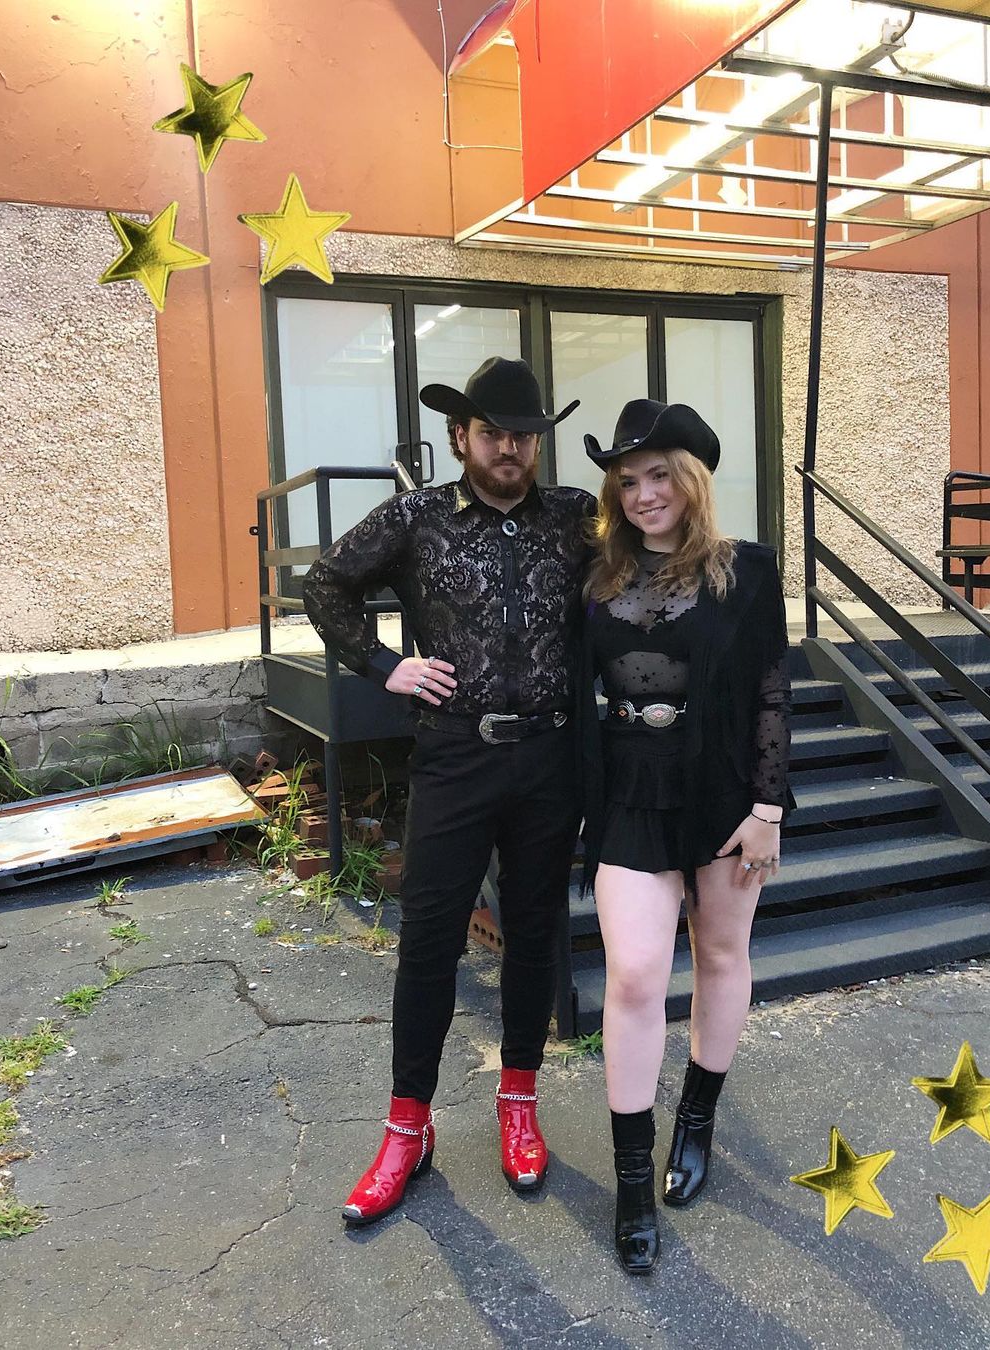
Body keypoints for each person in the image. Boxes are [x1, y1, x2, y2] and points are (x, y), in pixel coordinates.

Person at [302, 357, 595, 1226]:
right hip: (456, 757)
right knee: (429, 941)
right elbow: (326, 584)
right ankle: (407, 1129)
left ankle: (519, 1103)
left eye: (524, 436)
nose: (510, 448)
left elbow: (657, 548)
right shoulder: (417, 517)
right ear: (460, 437)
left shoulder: (576, 516)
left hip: (550, 761)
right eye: (493, 433)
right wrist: (385, 665)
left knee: (535, 935)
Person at [579, 399, 791, 1273]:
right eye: (627, 481)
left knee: (720, 957)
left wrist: (768, 808)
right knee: (633, 974)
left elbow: (771, 687)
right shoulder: (596, 572)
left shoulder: (747, 570)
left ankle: (695, 1122)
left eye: (658, 475)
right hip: (628, 786)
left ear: (691, 479)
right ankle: (633, 1183)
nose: (643, 494)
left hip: (724, 791)